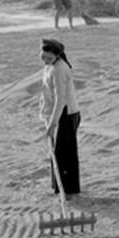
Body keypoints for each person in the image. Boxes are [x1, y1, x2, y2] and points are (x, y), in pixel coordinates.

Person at [39, 38, 81, 196]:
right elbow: (46, 92)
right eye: (43, 57)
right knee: (57, 152)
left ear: (57, 55)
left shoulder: (59, 69)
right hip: (56, 112)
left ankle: (68, 190)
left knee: (64, 153)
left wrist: (52, 124)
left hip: (66, 113)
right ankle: (58, 187)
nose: (45, 61)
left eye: (49, 58)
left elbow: (61, 99)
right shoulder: (49, 67)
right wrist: (44, 113)